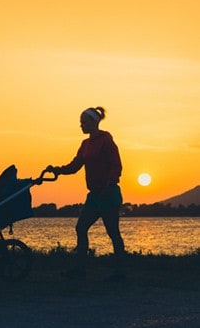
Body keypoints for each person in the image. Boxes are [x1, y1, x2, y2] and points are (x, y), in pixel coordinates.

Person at [46, 106, 126, 281]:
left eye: (83, 122)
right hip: (94, 196)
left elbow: (116, 165)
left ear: (93, 122)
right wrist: (57, 170)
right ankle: (80, 268)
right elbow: (75, 166)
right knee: (81, 228)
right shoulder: (85, 145)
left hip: (108, 194)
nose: (81, 125)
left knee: (112, 232)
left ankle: (120, 271)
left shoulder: (106, 141)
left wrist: (110, 182)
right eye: (80, 122)